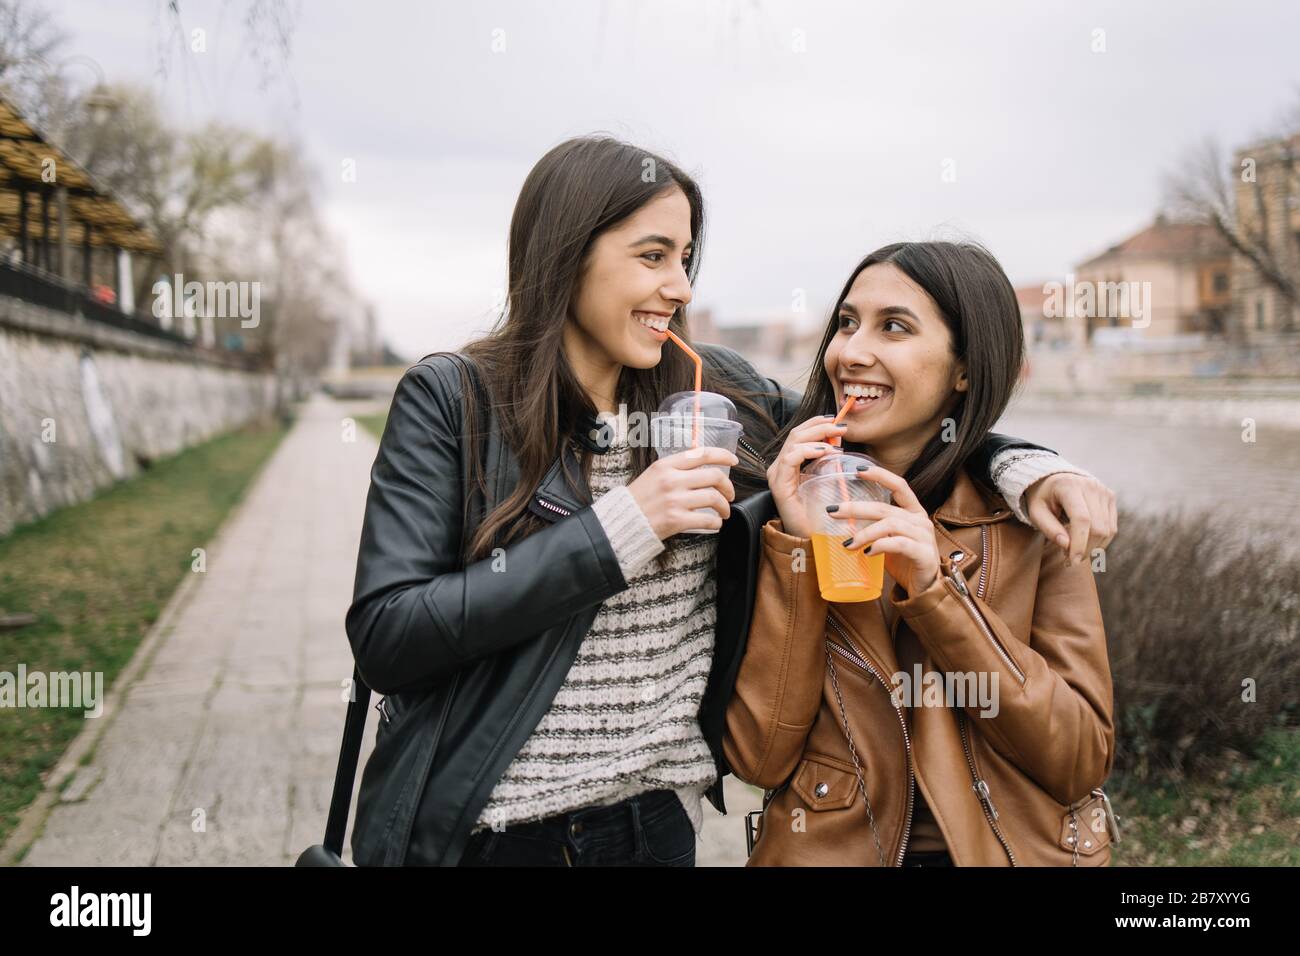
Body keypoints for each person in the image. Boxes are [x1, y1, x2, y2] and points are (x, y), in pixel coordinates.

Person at [344, 137, 1115, 866]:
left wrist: (1032, 469)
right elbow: (387, 636)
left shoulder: (713, 389)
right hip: (492, 833)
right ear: (565, 256)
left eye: (684, 259)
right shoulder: (454, 400)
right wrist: (625, 526)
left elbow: (879, 421)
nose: (679, 287)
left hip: (655, 828)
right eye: (652, 257)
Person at [723, 241, 1116, 866]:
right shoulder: (783, 511)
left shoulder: (1034, 521)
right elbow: (758, 756)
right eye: (847, 323)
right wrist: (800, 552)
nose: (851, 352)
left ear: (965, 368)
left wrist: (937, 594)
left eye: (895, 327)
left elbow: (1077, 759)